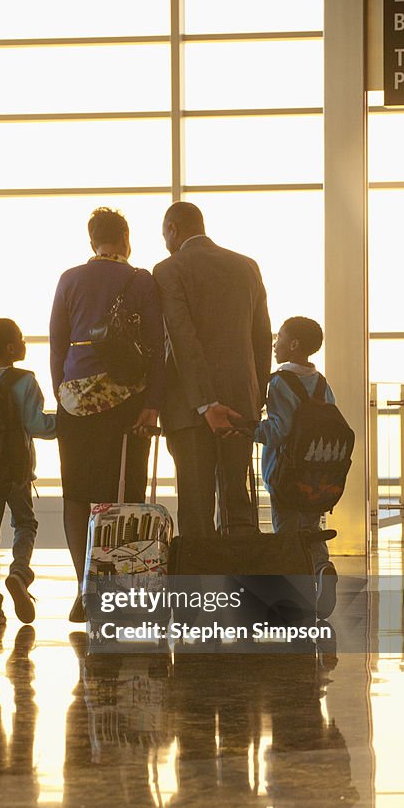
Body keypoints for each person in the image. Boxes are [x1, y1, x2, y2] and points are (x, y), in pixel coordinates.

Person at [49, 208, 165, 619]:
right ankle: (118, 588)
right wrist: (152, 404)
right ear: (126, 238)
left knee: (76, 496)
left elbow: (57, 346)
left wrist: (63, 393)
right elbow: (156, 347)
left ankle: (84, 588)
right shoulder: (141, 280)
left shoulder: (69, 279)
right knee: (121, 495)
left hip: (74, 402)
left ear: (91, 239)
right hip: (127, 402)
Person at [153, 202, 272, 537]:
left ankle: (200, 586)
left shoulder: (168, 270)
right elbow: (262, 338)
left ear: (173, 229)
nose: (165, 241)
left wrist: (206, 403)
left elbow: (182, 338)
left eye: (164, 234)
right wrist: (253, 396)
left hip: (189, 412)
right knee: (237, 501)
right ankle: (240, 582)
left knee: (195, 504)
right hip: (239, 404)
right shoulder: (247, 267)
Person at [0, 318, 56, 627]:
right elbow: (37, 426)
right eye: (20, 338)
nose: (24, 343)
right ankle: (19, 573)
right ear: (11, 347)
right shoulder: (24, 380)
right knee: (25, 523)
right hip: (15, 472)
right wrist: (69, 423)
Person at [255, 316, 338, 615]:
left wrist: (249, 429)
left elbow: (279, 431)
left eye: (279, 339)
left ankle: (295, 600)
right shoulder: (321, 382)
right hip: (318, 475)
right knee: (312, 528)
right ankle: (322, 567)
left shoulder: (279, 382)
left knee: (288, 535)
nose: (275, 345)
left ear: (293, 345)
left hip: (285, 476)